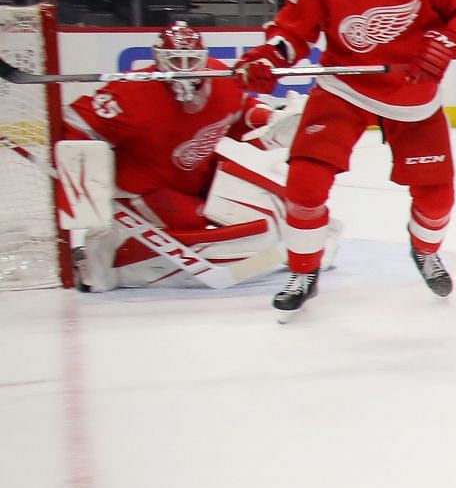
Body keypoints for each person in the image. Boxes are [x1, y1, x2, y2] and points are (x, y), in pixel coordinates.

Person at [234, 0, 456, 321]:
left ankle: (425, 249)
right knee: (305, 183)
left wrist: (445, 44)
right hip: (344, 85)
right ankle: (303, 271)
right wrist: (269, 57)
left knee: (437, 199)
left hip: (412, 90)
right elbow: (293, 31)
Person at [60, 23, 304, 290]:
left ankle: (305, 243)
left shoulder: (221, 76)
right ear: (159, 60)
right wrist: (80, 173)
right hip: (147, 186)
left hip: (198, 172)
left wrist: (271, 119)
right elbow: (76, 122)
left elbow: (240, 112)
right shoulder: (131, 92)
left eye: (191, 60)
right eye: (176, 61)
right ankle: (105, 263)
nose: (185, 69)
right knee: (192, 226)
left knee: (272, 206)